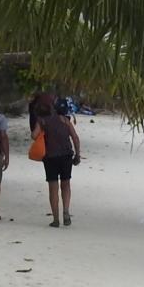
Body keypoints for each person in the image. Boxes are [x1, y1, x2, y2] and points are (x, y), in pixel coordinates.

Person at [32, 95, 82, 228]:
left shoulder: (43, 120)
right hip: (66, 155)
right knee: (66, 184)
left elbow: (34, 135)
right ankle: (66, 211)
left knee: (53, 188)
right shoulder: (66, 121)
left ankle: (55, 219)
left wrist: (42, 128)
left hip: (50, 157)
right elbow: (75, 138)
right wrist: (78, 155)